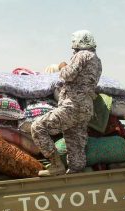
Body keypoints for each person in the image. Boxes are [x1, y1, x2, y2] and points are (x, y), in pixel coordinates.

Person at [32, 30, 102, 176]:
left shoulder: (82, 55)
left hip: (73, 106)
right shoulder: (97, 60)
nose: (72, 46)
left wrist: (62, 66)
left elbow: (68, 74)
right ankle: (76, 173)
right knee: (75, 144)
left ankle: (56, 165)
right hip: (85, 108)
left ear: (79, 41)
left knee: (38, 127)